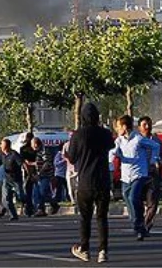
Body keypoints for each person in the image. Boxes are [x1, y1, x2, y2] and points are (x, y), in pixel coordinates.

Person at [66, 102, 115, 264]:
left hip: (86, 180)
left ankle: (84, 249)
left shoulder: (78, 135)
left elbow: (72, 158)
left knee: (85, 218)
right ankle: (103, 251)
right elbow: (111, 146)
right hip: (102, 179)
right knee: (102, 218)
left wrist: (68, 156)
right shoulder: (105, 134)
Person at [109, 115, 152, 241]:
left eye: (118, 126)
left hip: (139, 174)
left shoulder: (138, 139)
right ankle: (138, 224)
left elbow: (155, 146)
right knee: (127, 198)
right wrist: (110, 160)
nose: (116, 129)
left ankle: (138, 225)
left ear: (124, 127)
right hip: (125, 175)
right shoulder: (119, 140)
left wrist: (154, 158)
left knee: (134, 197)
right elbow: (112, 151)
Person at [137, 117, 162, 232]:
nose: (147, 127)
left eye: (149, 124)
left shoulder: (157, 141)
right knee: (137, 201)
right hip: (138, 175)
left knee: (153, 202)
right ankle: (138, 221)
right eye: (144, 125)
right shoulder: (136, 141)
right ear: (139, 127)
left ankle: (146, 224)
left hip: (153, 174)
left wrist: (161, 163)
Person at [0, 138, 23, 220]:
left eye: (2, 144)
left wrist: (29, 173)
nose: (0, 146)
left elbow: (22, 164)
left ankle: (27, 203)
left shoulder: (14, 154)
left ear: (7, 146)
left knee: (20, 196)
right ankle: (13, 215)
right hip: (7, 179)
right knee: (6, 199)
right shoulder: (1, 154)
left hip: (16, 179)